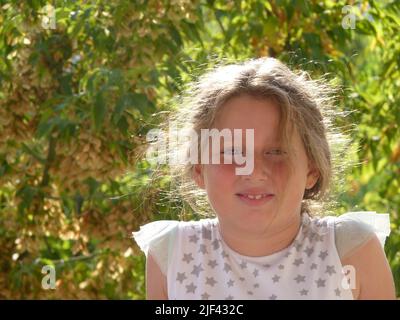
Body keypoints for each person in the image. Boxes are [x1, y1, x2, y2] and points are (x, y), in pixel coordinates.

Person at [133, 57, 396, 300]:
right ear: (199, 169)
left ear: (312, 169)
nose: (254, 170)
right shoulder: (172, 255)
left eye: (276, 151)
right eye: (233, 152)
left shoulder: (350, 251)